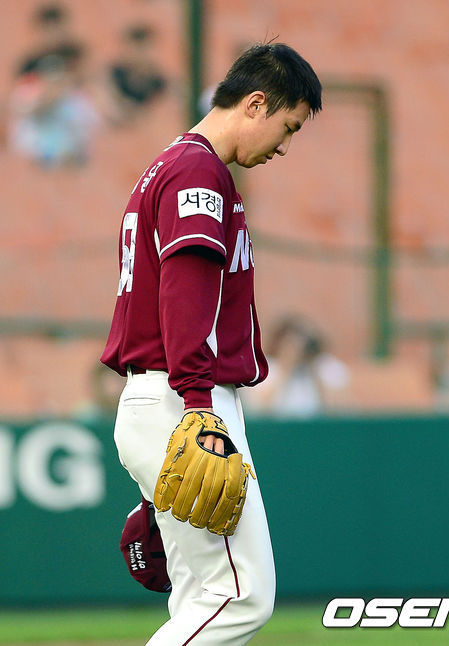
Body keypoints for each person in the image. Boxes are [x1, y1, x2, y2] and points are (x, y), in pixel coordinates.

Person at [101, 42, 322, 645]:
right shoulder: (199, 172)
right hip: (185, 400)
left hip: (165, 398)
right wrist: (199, 408)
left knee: (203, 599)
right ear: (256, 103)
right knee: (240, 597)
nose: (284, 145)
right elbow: (185, 295)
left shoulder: (172, 164)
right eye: (288, 126)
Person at [242, 315, 351, 417]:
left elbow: (338, 410)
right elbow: (260, 409)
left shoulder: (323, 368)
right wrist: (287, 364)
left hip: (315, 426)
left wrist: (314, 368)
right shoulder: (267, 369)